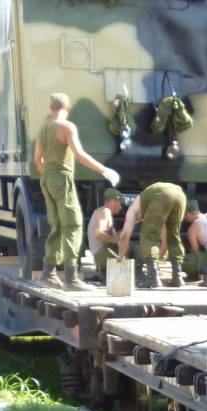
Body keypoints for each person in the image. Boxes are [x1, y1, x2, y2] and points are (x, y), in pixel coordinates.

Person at [31, 93, 119, 291]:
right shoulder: (66, 127)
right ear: (68, 108)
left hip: (46, 178)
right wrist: (104, 170)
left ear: (51, 107)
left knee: (56, 225)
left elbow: (37, 161)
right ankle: (70, 278)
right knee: (73, 224)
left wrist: (48, 173)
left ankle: (48, 274)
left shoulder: (43, 128)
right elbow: (79, 155)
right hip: (62, 179)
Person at [119, 181, 187, 289]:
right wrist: (158, 257)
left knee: (148, 236)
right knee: (173, 235)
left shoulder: (132, 211)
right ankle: (177, 278)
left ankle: (153, 280)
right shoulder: (149, 202)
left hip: (161, 195)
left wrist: (120, 257)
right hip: (180, 195)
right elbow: (165, 240)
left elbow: (124, 236)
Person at [86, 188, 124, 280]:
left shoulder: (103, 212)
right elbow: (99, 234)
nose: (121, 207)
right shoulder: (104, 212)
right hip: (102, 255)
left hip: (101, 255)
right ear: (112, 201)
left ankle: (105, 275)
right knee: (132, 249)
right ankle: (140, 275)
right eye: (120, 203)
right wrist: (116, 240)